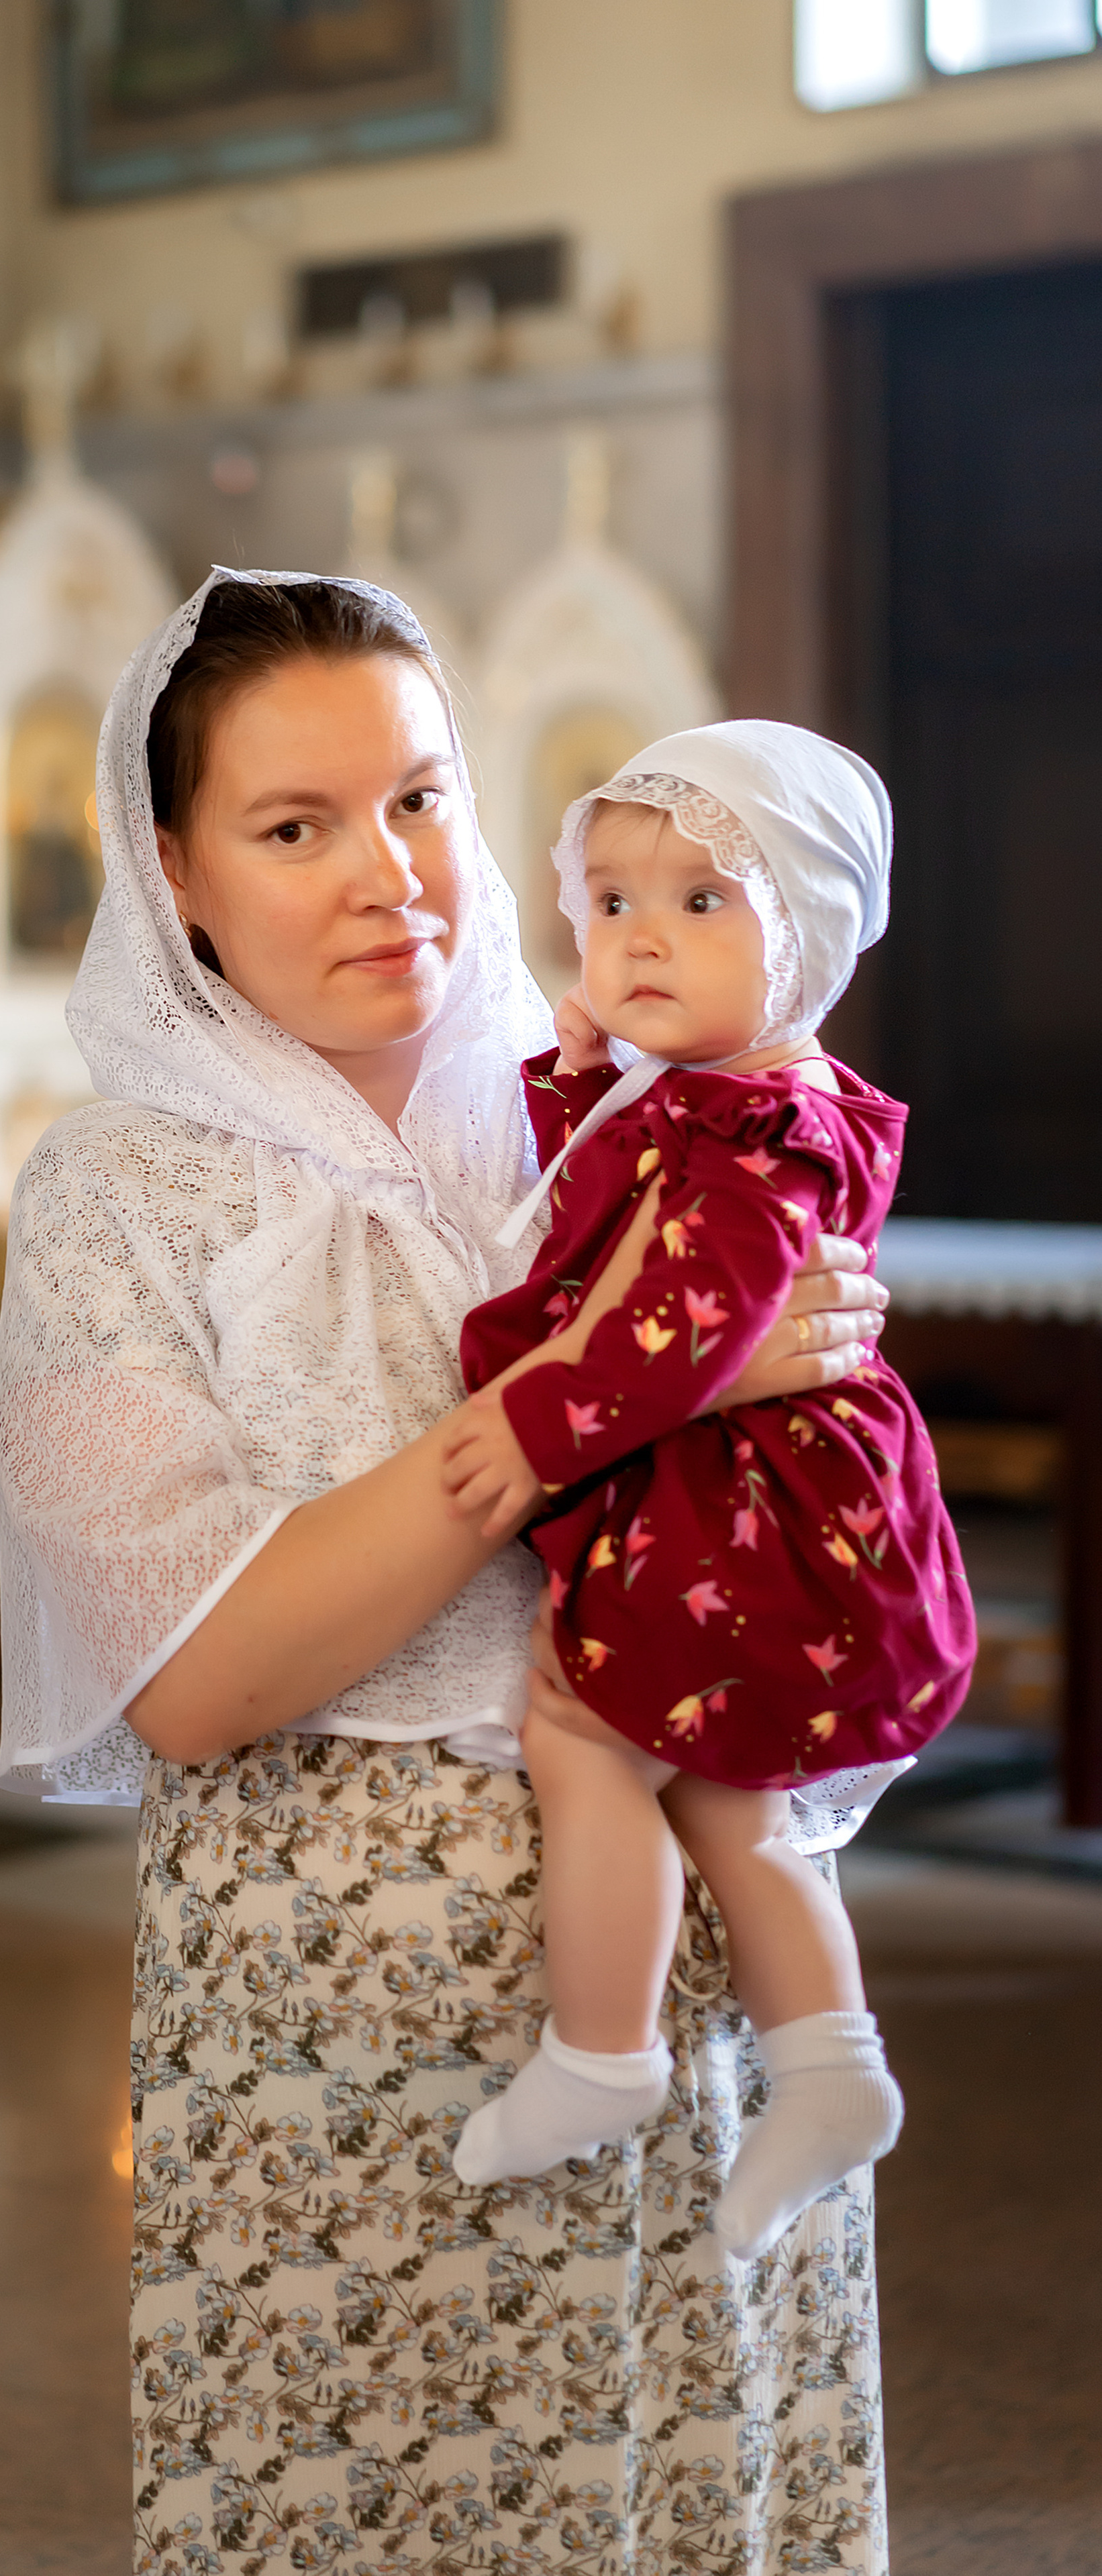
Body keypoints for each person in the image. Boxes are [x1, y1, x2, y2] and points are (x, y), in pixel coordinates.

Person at [0, 573, 895, 2573]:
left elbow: (806, 1504)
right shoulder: (113, 1199)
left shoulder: (633, 1103)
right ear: (173, 873)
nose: (386, 873)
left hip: (698, 2012)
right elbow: (197, 1681)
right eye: (292, 825)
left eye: (418, 797)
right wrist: (613, 1387)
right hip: (338, 2036)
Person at [439, 724, 975, 2257]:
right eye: (610, 903)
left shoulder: (761, 1130)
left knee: (582, 1732)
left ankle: (601, 2052)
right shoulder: (716, 1094)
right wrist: (575, 1083)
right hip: (744, 1489)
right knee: (729, 1793)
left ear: (803, 937)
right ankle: (832, 2065)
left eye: (699, 901)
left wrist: (539, 1424)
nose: (639, 939)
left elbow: (688, 1315)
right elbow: (599, 1207)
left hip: (754, 1499)